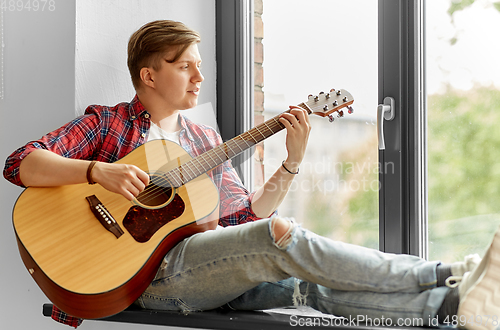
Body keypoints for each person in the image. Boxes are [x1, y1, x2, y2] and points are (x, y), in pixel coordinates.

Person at [4, 20, 500, 330]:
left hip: (199, 269)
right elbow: (19, 162)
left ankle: (452, 310)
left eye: (201, 67)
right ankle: (443, 274)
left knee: (310, 286)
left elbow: (246, 217)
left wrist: (292, 160)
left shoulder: (202, 144)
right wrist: (98, 172)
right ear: (150, 75)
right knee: (280, 236)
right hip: (142, 279)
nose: (200, 78)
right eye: (186, 67)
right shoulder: (109, 123)